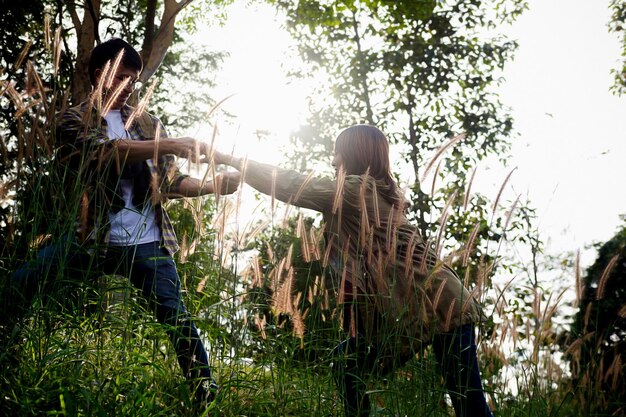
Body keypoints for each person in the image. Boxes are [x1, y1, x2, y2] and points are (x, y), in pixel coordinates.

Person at [10, 38, 239, 405]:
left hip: (147, 242)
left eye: (134, 82)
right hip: (91, 240)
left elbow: (170, 183)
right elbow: (104, 154)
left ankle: (205, 396)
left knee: (176, 317)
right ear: (101, 73)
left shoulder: (148, 122)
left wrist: (214, 187)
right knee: (21, 286)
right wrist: (173, 144)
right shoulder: (73, 118)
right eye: (122, 78)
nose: (129, 88)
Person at [213, 124, 494, 417]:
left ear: (352, 154)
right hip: (429, 300)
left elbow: (294, 184)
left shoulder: (355, 189)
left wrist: (231, 160)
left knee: (469, 404)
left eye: (337, 153)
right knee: (347, 363)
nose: (332, 160)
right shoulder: (376, 192)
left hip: (442, 303)